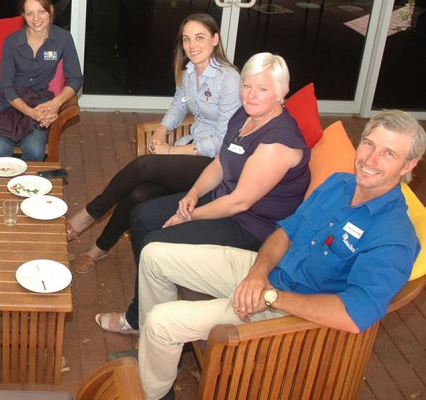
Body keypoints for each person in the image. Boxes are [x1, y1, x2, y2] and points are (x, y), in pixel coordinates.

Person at [136, 109, 424, 399]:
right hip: (265, 276)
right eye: (369, 144)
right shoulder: (340, 183)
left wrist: (271, 297)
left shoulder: (394, 237)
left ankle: (155, 392)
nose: (370, 160)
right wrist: (259, 273)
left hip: (293, 313)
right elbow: (286, 231)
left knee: (162, 322)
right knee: (154, 256)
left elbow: (353, 314)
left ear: (408, 164)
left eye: (388, 154)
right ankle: (158, 357)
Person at [95, 52, 311, 335]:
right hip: (222, 201)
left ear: (282, 92)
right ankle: (155, 300)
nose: (251, 94)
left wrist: (189, 216)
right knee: (142, 215)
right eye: (247, 85)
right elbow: (221, 163)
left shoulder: (279, 140)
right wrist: (193, 194)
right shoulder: (244, 116)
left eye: (263, 89)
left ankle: (146, 321)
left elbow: (240, 202)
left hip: (251, 227)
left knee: (155, 241)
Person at [66, 13, 241, 274]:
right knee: (137, 195)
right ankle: (98, 250)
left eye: (200, 37)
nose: (192, 45)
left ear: (215, 39)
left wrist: (171, 150)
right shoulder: (190, 70)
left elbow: (223, 142)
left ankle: (89, 214)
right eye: (187, 39)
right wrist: (161, 130)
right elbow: (178, 105)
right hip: (191, 149)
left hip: (215, 165)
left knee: (144, 166)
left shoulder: (229, 79)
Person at [0, 0, 84, 162]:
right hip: (6, 103)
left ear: (51, 10)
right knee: (0, 148)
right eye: (29, 13)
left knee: (35, 149)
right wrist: (31, 113)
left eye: (41, 11)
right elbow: (6, 87)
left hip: (40, 102)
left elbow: (75, 78)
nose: (36, 19)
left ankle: (29, 188)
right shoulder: (12, 42)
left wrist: (55, 104)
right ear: (23, 15)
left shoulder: (63, 39)